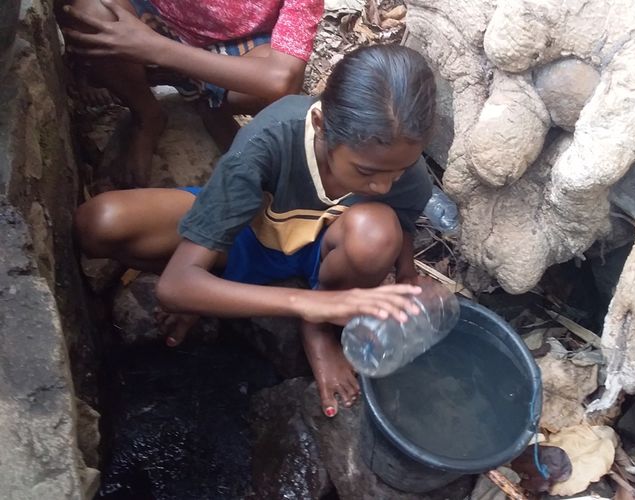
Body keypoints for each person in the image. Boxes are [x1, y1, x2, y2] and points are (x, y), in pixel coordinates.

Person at [74, 44, 437, 417]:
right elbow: (174, 287)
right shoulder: (271, 138)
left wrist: (408, 276)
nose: (384, 186)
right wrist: (307, 304)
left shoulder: (404, 171)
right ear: (321, 124)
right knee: (99, 223)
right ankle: (225, 284)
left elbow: (402, 223)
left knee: (378, 235)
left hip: (328, 257)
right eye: (366, 172)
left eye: (397, 171)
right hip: (245, 235)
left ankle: (318, 331)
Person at [58, 0, 324, 187]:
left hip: (239, 47)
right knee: (90, 14)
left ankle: (210, 103)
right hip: (152, 23)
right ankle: (146, 114)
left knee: (277, 90)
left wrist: (154, 48)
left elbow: (281, 79)